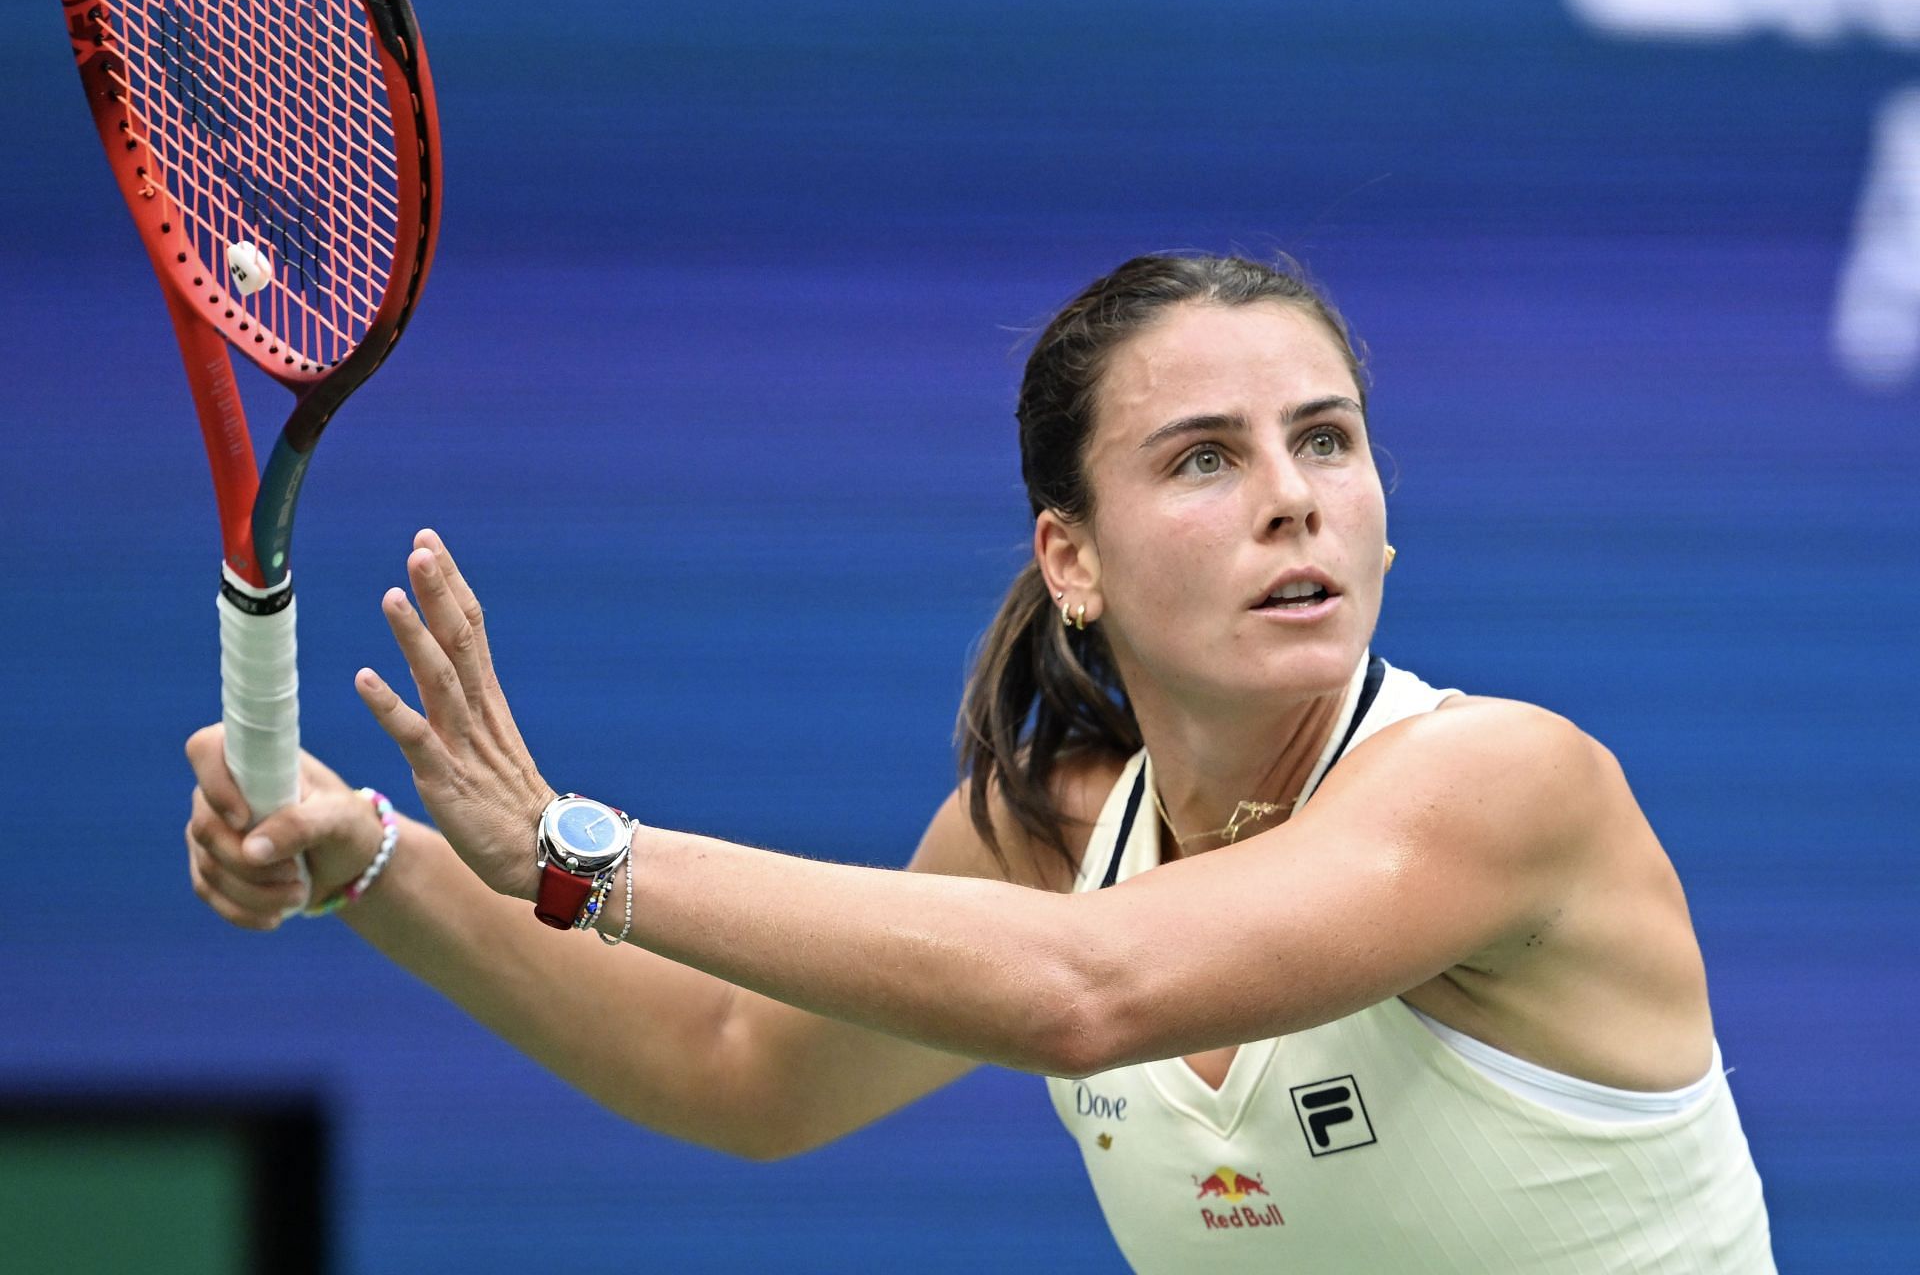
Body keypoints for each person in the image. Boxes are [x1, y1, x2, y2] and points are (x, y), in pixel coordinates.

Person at [183, 254, 1775, 1272]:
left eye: (1329, 439)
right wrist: (373, 864)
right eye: (1207, 457)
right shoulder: (1045, 837)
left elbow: (1092, 992)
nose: (1294, 499)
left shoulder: (1506, 785)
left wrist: (572, 849)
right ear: (1069, 556)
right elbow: (738, 1068)